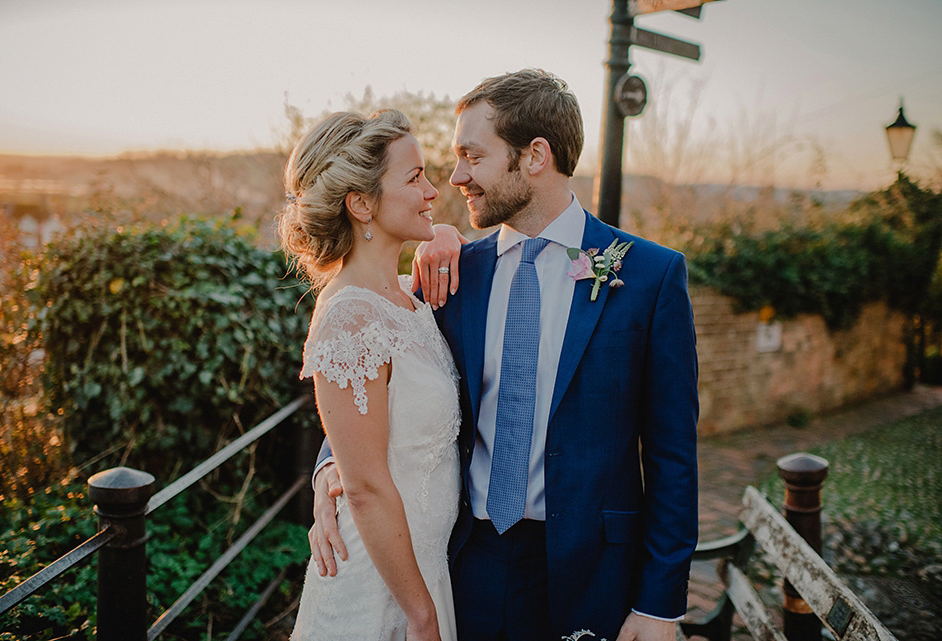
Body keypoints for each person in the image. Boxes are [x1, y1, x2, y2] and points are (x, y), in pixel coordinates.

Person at [311, 69, 699, 641]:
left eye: (473, 155)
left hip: (594, 570)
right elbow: (378, 369)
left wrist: (660, 605)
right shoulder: (452, 272)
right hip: (467, 560)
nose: (456, 177)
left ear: (535, 155)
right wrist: (330, 467)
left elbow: (673, 454)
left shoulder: (649, 276)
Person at [279, 109, 460, 641]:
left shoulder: (407, 299)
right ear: (361, 203)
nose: (433, 190)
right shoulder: (349, 317)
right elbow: (363, 488)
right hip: (379, 588)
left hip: (425, 569)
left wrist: (446, 234)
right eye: (414, 178)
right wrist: (421, 615)